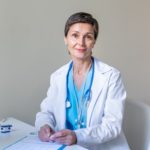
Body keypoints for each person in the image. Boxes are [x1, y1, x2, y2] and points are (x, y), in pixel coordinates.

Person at [35, 12, 127, 150]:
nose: (81, 42)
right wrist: (44, 126)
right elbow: (46, 113)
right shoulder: (57, 76)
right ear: (65, 39)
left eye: (88, 37)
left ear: (94, 42)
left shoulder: (111, 76)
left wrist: (77, 136)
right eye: (75, 35)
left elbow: (112, 126)